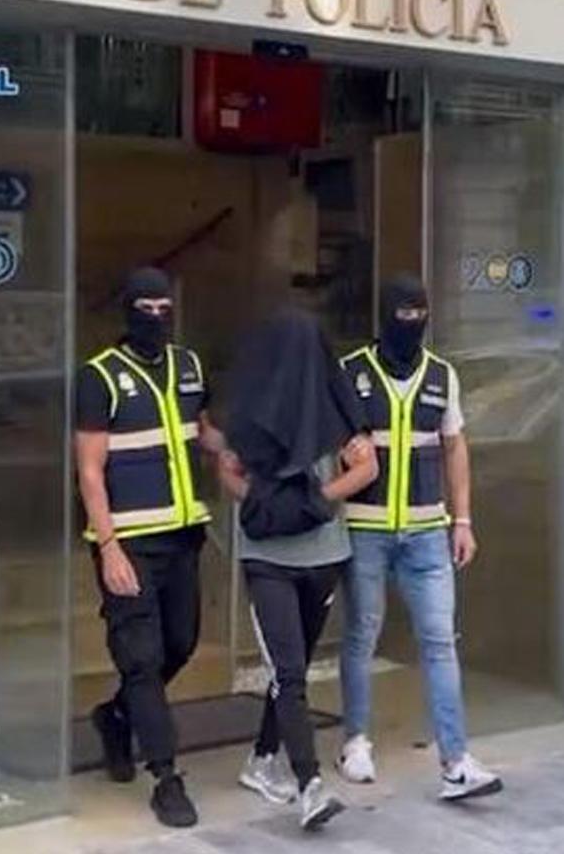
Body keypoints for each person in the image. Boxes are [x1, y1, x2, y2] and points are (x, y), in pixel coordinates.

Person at [334, 275, 503, 801]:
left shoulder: (442, 376)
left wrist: (464, 520)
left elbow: (455, 448)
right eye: (403, 315)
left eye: (420, 315)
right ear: (385, 318)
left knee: (439, 640)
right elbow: (337, 446)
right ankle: (355, 741)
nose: (413, 324)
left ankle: (455, 760)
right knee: (362, 634)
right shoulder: (350, 373)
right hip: (365, 527)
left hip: (428, 531)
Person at [216, 309, 379, 831]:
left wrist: (313, 501)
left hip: (325, 558)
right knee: (288, 672)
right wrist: (273, 505)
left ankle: (261, 761)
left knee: (292, 675)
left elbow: (368, 468)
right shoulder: (251, 415)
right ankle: (310, 784)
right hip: (269, 561)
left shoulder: (339, 409)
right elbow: (229, 473)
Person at [74, 267, 219, 828]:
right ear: (128, 311)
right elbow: (89, 469)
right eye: (146, 308)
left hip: (183, 537)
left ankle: (115, 717)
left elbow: (199, 432)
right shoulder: (100, 377)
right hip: (129, 542)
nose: (157, 317)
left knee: (179, 644)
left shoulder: (189, 366)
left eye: (165, 307)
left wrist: (242, 449)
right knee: (141, 658)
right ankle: (166, 777)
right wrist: (107, 546)